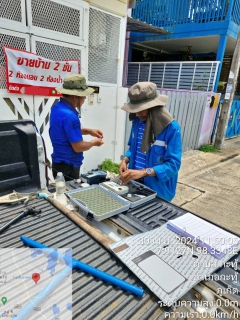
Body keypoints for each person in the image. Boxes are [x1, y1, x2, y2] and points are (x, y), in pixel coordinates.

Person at [119, 82, 182, 201]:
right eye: (136, 109)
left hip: (158, 190)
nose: (138, 113)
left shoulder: (172, 128)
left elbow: (173, 165)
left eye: (142, 109)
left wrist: (144, 172)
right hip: (136, 184)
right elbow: (133, 148)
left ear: (154, 106)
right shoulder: (137, 122)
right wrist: (125, 159)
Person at [49, 74, 104, 181]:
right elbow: (78, 147)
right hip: (68, 167)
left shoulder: (57, 107)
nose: (84, 99)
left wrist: (89, 131)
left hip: (58, 164)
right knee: (68, 194)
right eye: (84, 95)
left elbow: (66, 131)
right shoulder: (70, 116)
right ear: (75, 96)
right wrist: (94, 143)